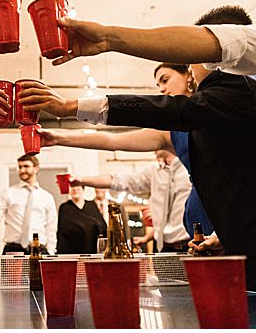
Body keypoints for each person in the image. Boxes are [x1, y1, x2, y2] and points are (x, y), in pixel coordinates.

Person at [18, 7, 256, 298]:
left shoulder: (240, 83)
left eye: (190, 59)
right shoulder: (224, 106)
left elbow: (177, 111)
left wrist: (71, 106)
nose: (189, 69)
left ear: (215, 52)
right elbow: (251, 183)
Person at [44, 63, 217, 246]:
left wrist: (67, 107)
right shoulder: (170, 133)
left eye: (165, 80)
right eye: (158, 85)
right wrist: (58, 138)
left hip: (218, 219)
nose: (162, 89)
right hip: (189, 233)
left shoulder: (216, 111)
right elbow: (113, 141)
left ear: (188, 75)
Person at [51, 1, 256, 75]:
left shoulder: (238, 90)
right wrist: (108, 39)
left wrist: (68, 108)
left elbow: (166, 114)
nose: (194, 68)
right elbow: (230, 41)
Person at [73, 147, 192, 251]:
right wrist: (81, 180)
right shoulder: (154, 171)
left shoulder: (191, 167)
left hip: (190, 246)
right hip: (163, 247)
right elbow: (121, 180)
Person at [0, 153, 57, 254]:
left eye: (26, 166)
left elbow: (51, 228)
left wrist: (51, 252)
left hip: (39, 250)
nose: (22, 170)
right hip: (13, 250)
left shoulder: (47, 197)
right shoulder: (8, 193)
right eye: (20, 167)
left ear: (36, 168)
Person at [56, 178, 106, 254]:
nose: (75, 189)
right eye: (72, 187)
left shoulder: (92, 205)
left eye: (78, 187)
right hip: (72, 252)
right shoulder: (65, 208)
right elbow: (63, 233)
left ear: (83, 190)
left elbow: (102, 226)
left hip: (92, 251)